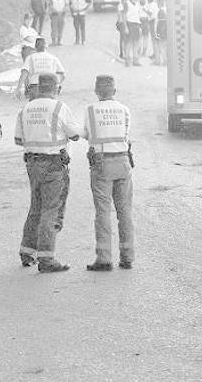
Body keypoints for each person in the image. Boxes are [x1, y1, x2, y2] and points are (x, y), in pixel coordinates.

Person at [14, 73, 83, 272]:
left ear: (38, 88)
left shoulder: (25, 109)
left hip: (32, 164)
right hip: (54, 165)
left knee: (36, 207)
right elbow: (75, 135)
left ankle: (27, 253)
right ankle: (46, 260)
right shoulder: (60, 107)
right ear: (57, 88)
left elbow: (19, 140)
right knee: (51, 211)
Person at [82, 75, 134, 271]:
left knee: (103, 212)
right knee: (125, 212)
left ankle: (104, 259)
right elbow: (126, 135)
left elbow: (87, 134)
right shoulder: (124, 110)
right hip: (122, 161)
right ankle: (127, 257)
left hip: (101, 163)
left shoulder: (90, 110)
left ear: (96, 91)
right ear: (114, 91)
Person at [15, 35, 65, 100]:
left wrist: (18, 88)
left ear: (35, 47)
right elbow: (63, 75)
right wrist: (57, 84)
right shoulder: (53, 58)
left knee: (35, 107)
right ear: (46, 47)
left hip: (35, 87)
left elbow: (24, 73)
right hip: (50, 87)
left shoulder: (30, 58)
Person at [122, 0, 142, 66]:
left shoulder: (137, 4)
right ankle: (127, 61)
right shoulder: (127, 3)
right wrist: (126, 27)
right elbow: (124, 15)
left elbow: (138, 15)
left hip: (137, 25)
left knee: (136, 43)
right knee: (129, 43)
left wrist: (140, 26)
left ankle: (135, 61)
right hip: (130, 24)